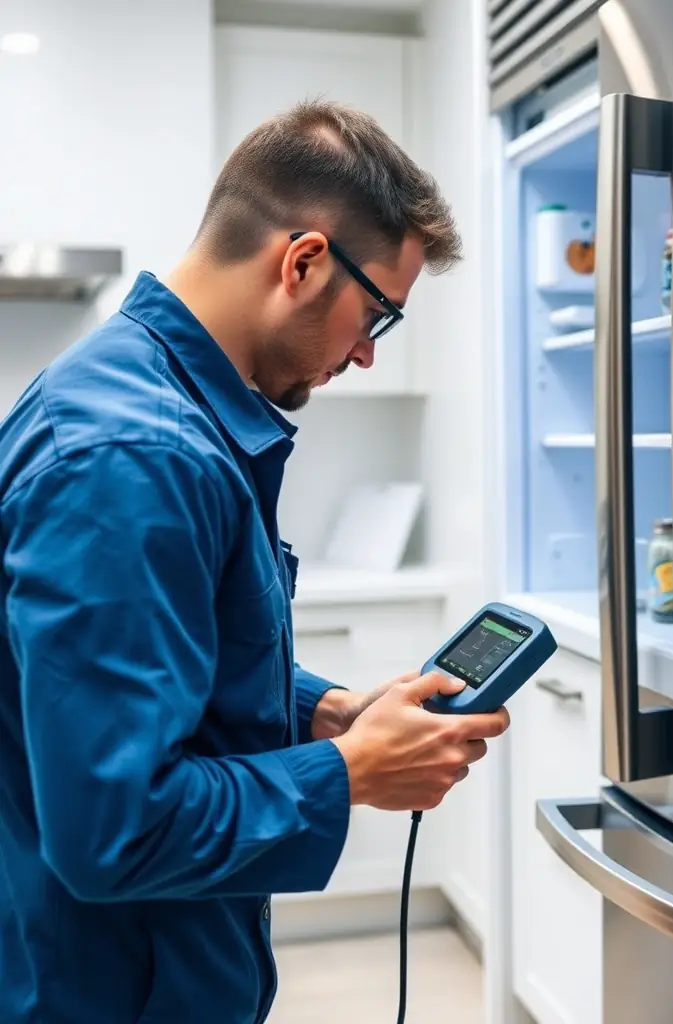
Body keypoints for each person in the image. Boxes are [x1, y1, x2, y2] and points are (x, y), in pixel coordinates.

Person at [0, 100, 509, 1023]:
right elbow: (117, 829)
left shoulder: (139, 395)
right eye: (378, 315)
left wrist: (323, 712)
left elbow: (173, 662)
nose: (362, 352)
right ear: (304, 261)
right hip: (105, 992)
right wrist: (350, 771)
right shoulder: (134, 455)